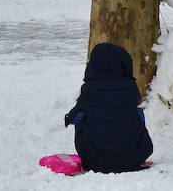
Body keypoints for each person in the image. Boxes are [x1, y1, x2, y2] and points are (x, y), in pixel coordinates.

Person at [64, 43, 153, 173]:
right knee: (137, 113)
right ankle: (133, 152)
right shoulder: (130, 88)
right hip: (133, 158)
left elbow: (74, 115)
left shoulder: (89, 89)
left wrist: (69, 118)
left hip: (94, 161)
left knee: (82, 117)